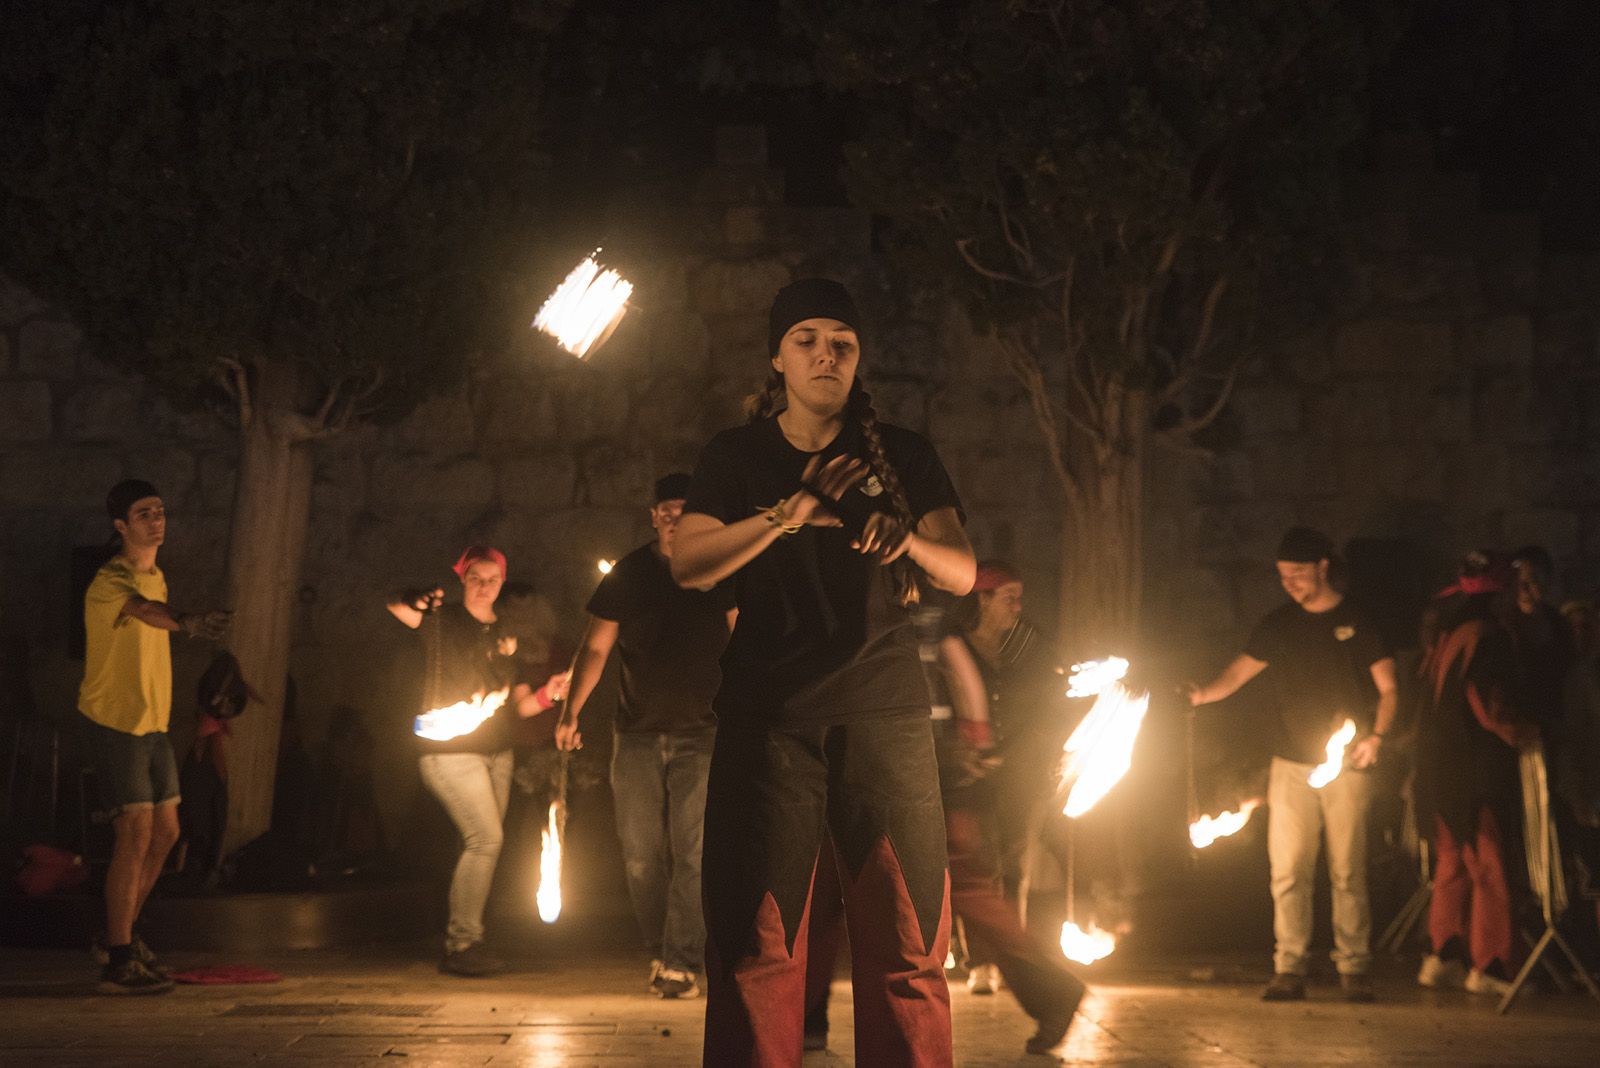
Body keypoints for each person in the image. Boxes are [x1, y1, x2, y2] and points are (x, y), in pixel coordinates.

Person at [672, 278, 976, 1067]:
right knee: (756, 945)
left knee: (909, 948)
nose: (825, 354)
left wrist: (903, 539)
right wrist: (786, 515)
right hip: (767, 720)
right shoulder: (735, 456)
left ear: (859, 357)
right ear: (777, 356)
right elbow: (689, 562)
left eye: (842, 341)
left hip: (884, 716)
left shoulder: (902, 454)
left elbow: (965, 572)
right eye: (806, 338)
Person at [1187, 527, 1396, 1002]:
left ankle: (1354, 969)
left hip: (1347, 766)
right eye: (1283, 576)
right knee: (1288, 871)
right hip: (1288, 765)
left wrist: (1377, 737)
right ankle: (1289, 968)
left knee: (1347, 870)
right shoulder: (1279, 625)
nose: (1290, 584)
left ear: (1323, 567)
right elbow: (1236, 675)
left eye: (1298, 575)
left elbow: (1388, 688)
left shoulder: (1357, 620)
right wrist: (1199, 694)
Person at [554, 472, 736, 1000]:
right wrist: (570, 714)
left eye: (685, 510)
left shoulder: (717, 571)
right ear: (654, 517)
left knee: (693, 852)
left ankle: (681, 963)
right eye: (666, 510)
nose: (675, 519)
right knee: (639, 855)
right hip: (635, 733)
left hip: (702, 734)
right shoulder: (630, 574)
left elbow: (741, 636)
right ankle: (659, 947)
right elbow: (594, 649)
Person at [386, 545, 569, 976]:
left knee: (481, 844)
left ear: (502, 582)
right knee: (486, 840)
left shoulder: (509, 635)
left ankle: (468, 938)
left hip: (498, 754)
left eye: (492, 579)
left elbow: (521, 705)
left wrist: (552, 693)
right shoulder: (441, 620)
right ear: (462, 579)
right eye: (475, 578)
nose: (484, 586)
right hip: (449, 753)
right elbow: (396, 605)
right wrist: (418, 599)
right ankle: (463, 943)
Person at [78, 479, 230, 994]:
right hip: (117, 721)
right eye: (144, 514)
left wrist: (183, 622)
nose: (156, 520)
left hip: (151, 723)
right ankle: (118, 960)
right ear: (120, 526)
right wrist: (188, 622)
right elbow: (143, 612)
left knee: (166, 833)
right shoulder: (108, 580)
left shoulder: (156, 575)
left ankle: (117, 935)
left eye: (160, 511)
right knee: (135, 834)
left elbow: (155, 613)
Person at [938, 612, 1086, 1053]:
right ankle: (1051, 992)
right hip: (932, 769)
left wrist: (975, 744)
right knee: (966, 888)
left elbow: (958, 671)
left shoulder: (930, 617)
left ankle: (1052, 992)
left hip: (939, 774)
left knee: (967, 886)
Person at [942, 560, 1069, 995]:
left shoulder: (1029, 644)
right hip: (967, 775)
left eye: (1020, 597)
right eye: (1008, 598)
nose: (1017, 606)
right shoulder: (954, 644)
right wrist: (962, 752)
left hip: (1021, 772)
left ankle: (1016, 961)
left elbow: (1048, 704)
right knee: (976, 867)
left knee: (1014, 863)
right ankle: (978, 960)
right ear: (982, 599)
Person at [1414, 551, 1536, 997]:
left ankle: (1442, 955)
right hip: (1475, 768)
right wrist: (1524, 734)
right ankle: (1494, 965)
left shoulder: (1446, 634)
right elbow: (1489, 703)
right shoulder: (1489, 636)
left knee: (1453, 862)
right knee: (1490, 866)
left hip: (1438, 768)